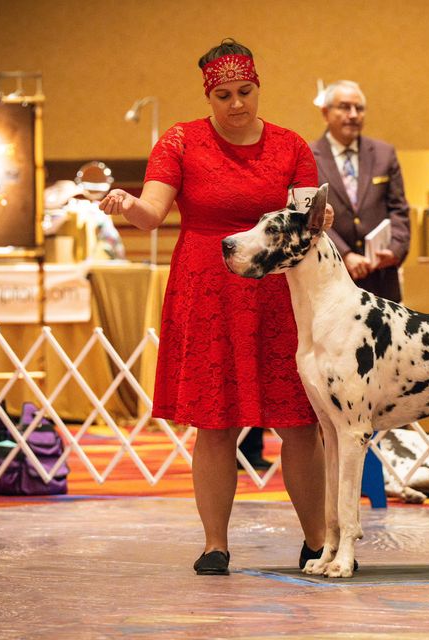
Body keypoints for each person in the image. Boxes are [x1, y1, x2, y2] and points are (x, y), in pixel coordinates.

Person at [99, 39, 333, 576]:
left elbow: (309, 219)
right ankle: (214, 545)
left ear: (258, 87)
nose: (236, 104)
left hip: (277, 293)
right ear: (208, 96)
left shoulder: (291, 145)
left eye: (245, 91)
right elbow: (152, 213)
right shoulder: (180, 141)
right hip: (207, 291)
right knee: (215, 423)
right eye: (223, 95)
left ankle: (317, 541)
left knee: (299, 423)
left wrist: (323, 217)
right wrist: (127, 203)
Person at [312, 80, 411, 302]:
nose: (354, 115)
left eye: (359, 108)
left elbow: (399, 210)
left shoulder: (384, 154)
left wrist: (394, 250)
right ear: (326, 113)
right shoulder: (308, 157)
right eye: (345, 107)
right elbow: (310, 217)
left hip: (381, 281)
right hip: (332, 281)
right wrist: (344, 254)